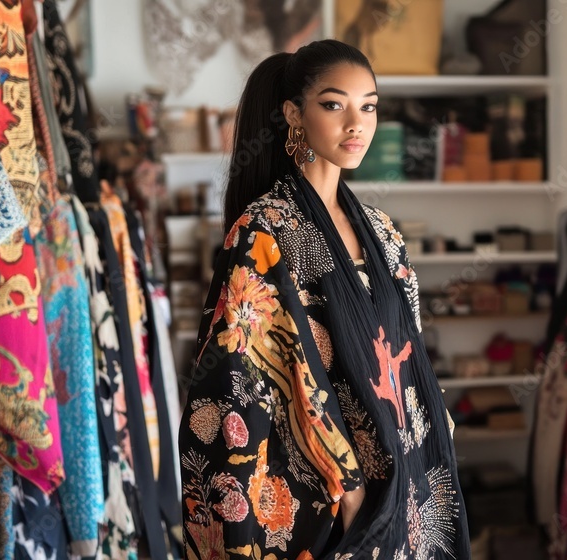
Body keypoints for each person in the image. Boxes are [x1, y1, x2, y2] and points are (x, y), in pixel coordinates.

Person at [179, 39, 470, 559]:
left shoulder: (382, 233)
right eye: (334, 105)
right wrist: (346, 478)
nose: (356, 124)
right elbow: (242, 379)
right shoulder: (266, 231)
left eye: (369, 107)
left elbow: (410, 361)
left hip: (403, 482)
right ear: (294, 114)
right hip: (328, 495)